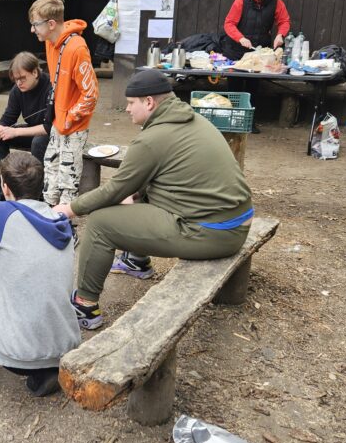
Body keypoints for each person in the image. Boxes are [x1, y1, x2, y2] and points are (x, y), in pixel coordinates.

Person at [53, 69, 253, 330]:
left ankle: (85, 306)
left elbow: (115, 189)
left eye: (130, 103)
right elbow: (160, 178)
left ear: (149, 102)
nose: (127, 109)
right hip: (234, 222)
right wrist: (133, 196)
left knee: (101, 223)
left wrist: (69, 209)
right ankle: (136, 260)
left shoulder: (152, 139)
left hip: (211, 232)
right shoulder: (192, 120)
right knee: (134, 199)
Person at [0, 152, 80, 397]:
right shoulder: (59, 220)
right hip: (60, 344)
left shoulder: (0, 212)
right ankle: (45, 373)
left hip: (16, 352)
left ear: (5, 187)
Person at [28, 0, 99, 206]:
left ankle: (66, 226)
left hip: (73, 126)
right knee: (50, 171)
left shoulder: (77, 48)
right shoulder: (51, 43)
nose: (33, 30)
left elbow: (91, 94)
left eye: (35, 24)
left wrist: (70, 118)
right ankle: (49, 215)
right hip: (57, 122)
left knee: (68, 179)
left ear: (51, 24)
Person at [0, 51, 51, 203]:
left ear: (35, 72)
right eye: (16, 79)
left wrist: (16, 131)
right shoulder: (17, 90)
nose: (19, 83)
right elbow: (7, 119)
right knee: (0, 137)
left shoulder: (50, 87)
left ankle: (36, 194)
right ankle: (4, 189)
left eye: (22, 78)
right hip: (32, 130)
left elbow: (48, 127)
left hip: (52, 134)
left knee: (38, 142)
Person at [220, 0, 291, 60]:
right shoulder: (241, 0)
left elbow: (284, 21)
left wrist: (280, 35)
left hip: (261, 53)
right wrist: (240, 38)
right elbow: (229, 24)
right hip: (236, 52)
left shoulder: (276, 1)